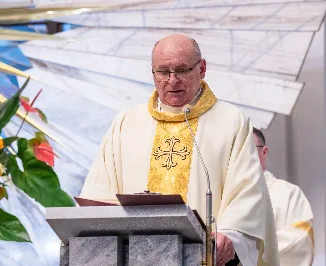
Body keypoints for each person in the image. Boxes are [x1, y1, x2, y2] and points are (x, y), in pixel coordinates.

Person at [80, 34, 279, 266]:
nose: (172, 81)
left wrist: (232, 232)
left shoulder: (231, 121)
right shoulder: (126, 123)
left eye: (182, 70)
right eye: (163, 72)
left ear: (202, 68)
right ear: (152, 72)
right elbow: (98, 194)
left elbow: (247, 189)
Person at [253, 128, 314, 266]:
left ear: (264, 151)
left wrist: (248, 252)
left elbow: (300, 240)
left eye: (249, 148)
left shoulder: (289, 193)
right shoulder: (224, 196)